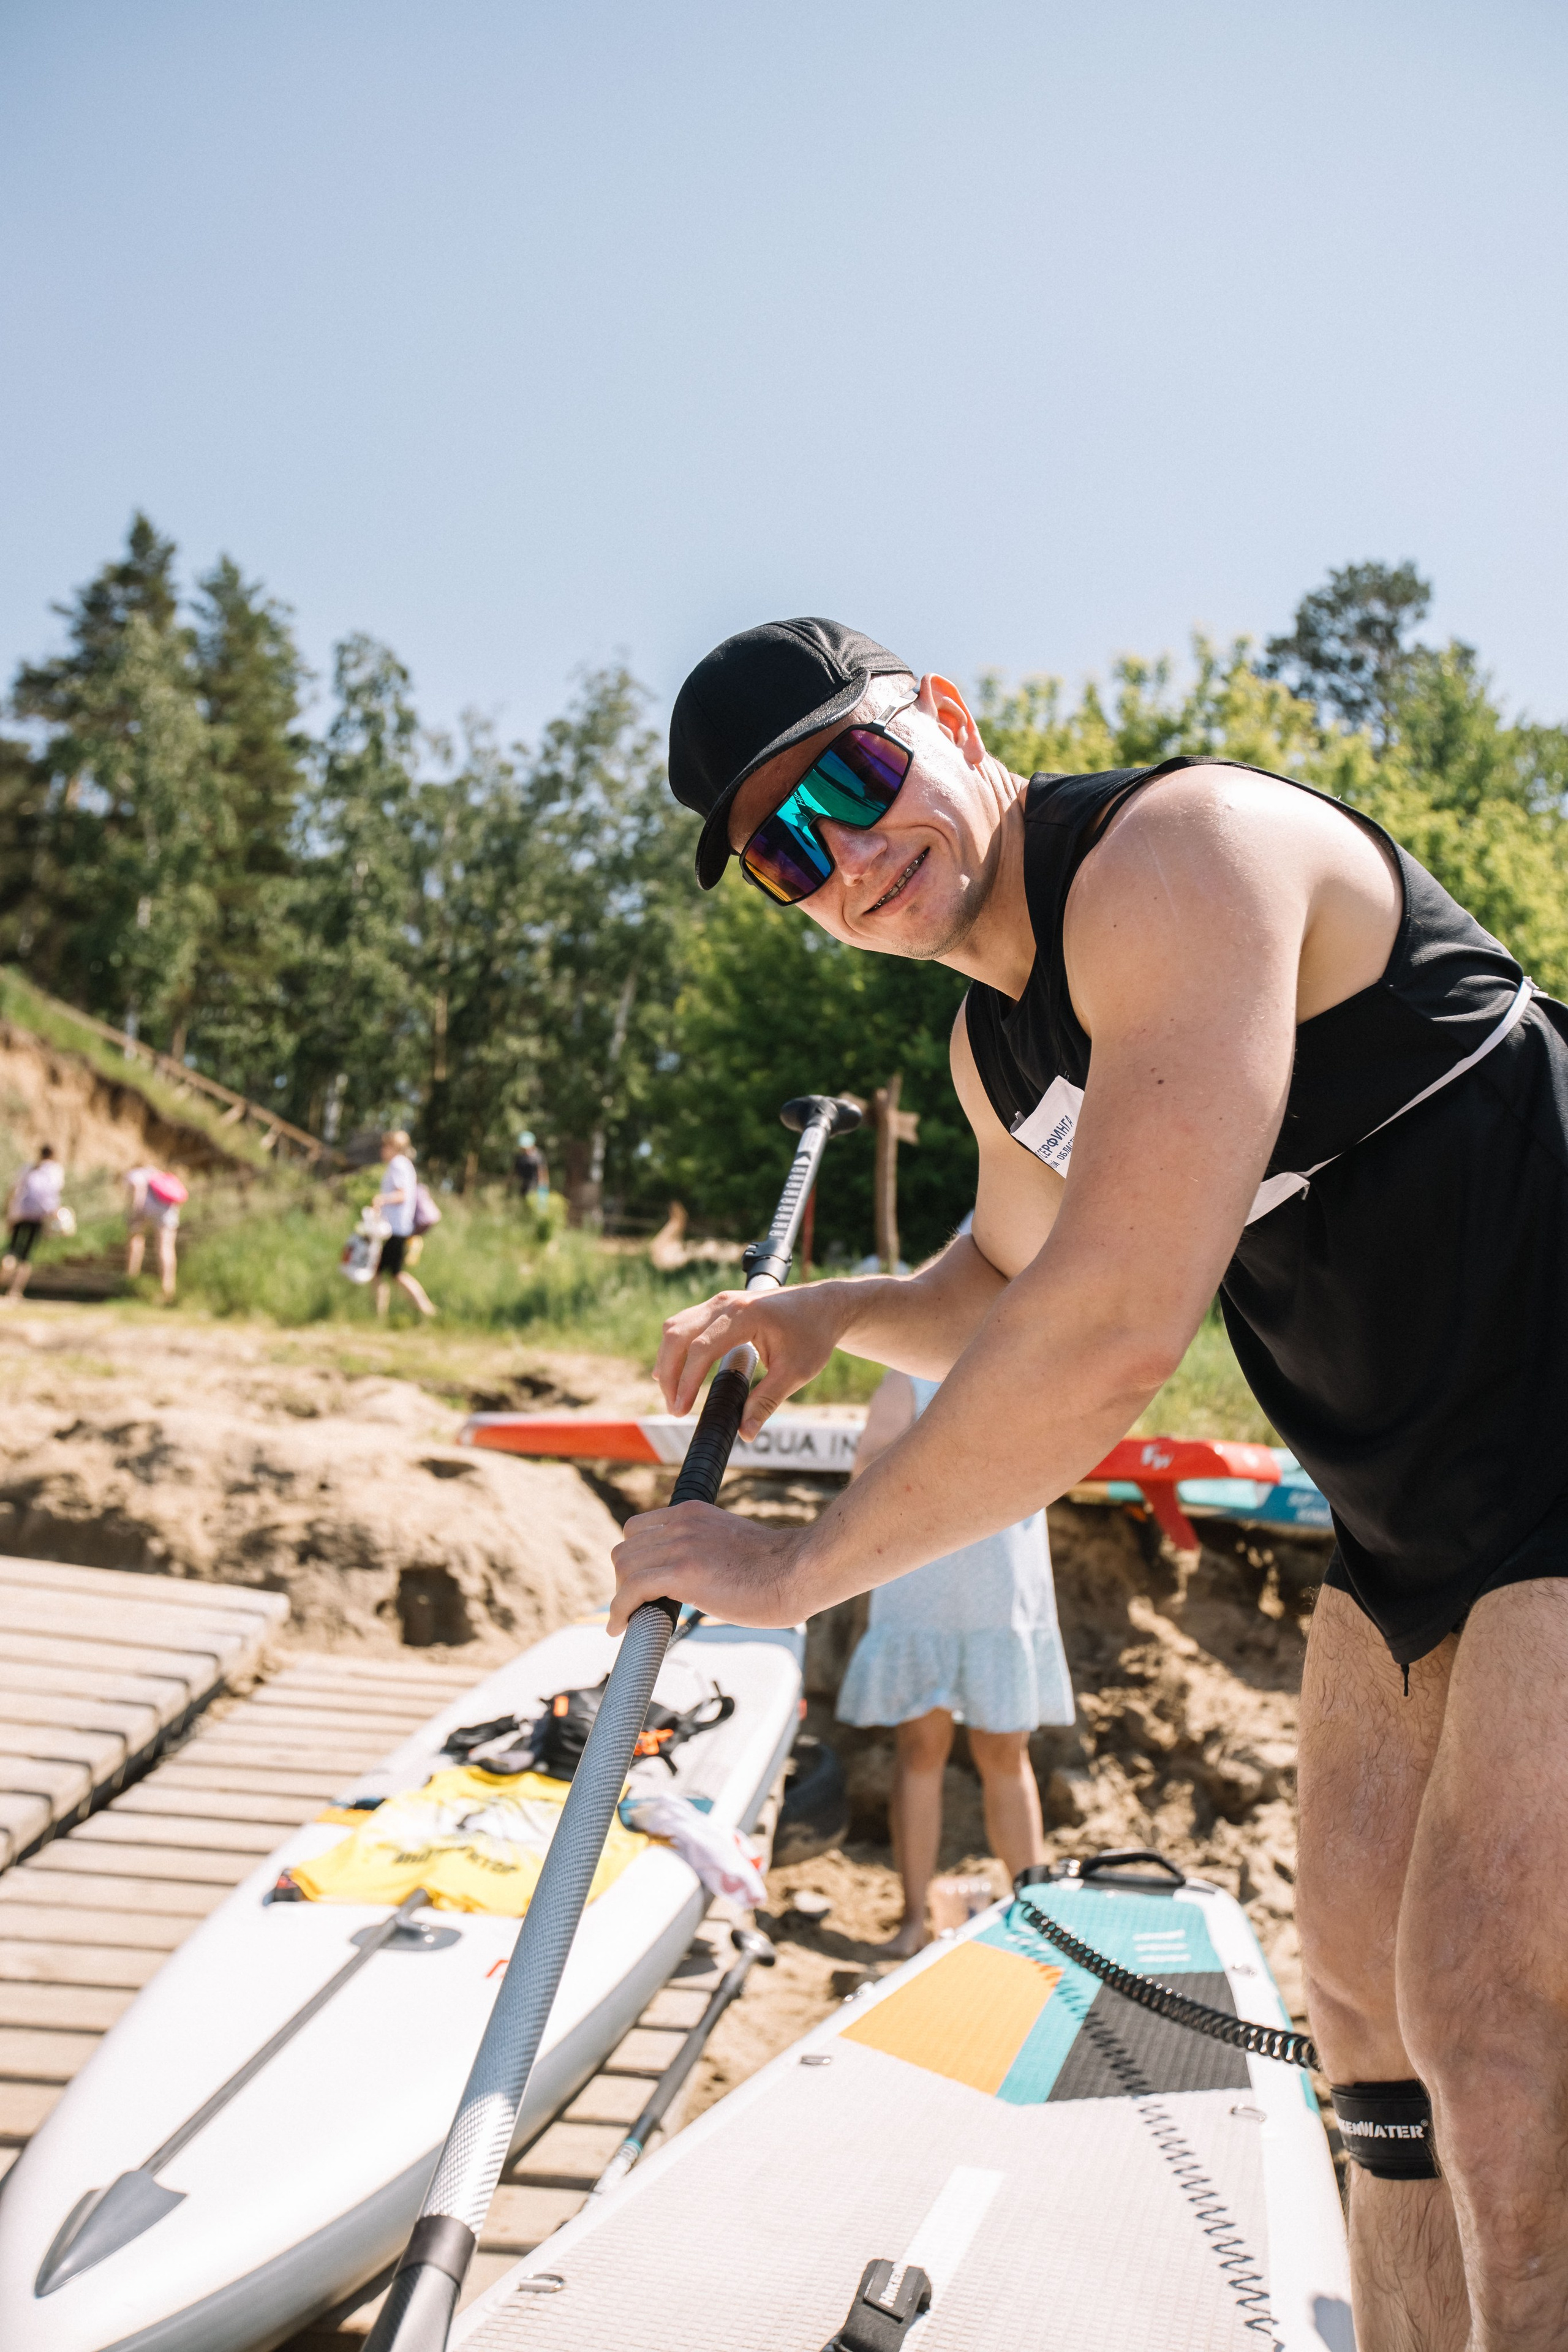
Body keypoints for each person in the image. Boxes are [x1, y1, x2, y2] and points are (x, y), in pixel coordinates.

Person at [609, 617, 1568, 2351]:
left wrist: (793, 1569)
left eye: (856, 777)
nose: (843, 853)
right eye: (784, 854)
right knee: (1365, 2022)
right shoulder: (997, 1050)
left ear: (948, 716)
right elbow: (1005, 1280)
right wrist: (830, 1311)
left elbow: (1112, 1328)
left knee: (1489, 2019)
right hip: (1410, 1516)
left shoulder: (1181, 857)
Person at [838, 1365, 1071, 1954]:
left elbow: (1062, 1458)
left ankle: (1038, 1918)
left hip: (1000, 1586)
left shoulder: (1031, 1361)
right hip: (923, 1582)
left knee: (1006, 1750)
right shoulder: (909, 1374)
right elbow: (867, 1469)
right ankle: (914, 1920)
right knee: (921, 1748)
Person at [374, 1129, 436, 1321]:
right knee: (382, 1272)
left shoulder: (398, 1164)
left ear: (394, 1147)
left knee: (395, 1274)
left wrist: (381, 1199)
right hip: (397, 1227)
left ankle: (427, 1310)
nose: (382, 1150)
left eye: (385, 1146)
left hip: (396, 1228)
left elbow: (402, 1195)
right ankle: (378, 1316)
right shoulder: (405, 1164)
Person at [4, 1144, 63, 1302]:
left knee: (12, 1251)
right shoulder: (55, 1171)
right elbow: (53, 1196)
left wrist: (9, 1213)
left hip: (20, 1214)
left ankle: (5, 1273)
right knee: (27, 1255)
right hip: (38, 1217)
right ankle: (15, 1291)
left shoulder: (28, 1168)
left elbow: (14, 1191)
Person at [124, 1164, 181, 1300]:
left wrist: (136, 1213)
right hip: (168, 1209)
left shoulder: (135, 1174)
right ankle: (168, 1288)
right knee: (166, 1248)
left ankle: (131, 1280)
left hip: (147, 1209)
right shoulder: (157, 1173)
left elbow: (139, 1191)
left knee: (135, 1240)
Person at [512, 1131, 548, 1199]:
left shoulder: (538, 1157)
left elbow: (542, 1173)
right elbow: (514, 1172)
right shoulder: (520, 1157)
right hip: (523, 1187)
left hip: (535, 1188)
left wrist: (543, 1190)